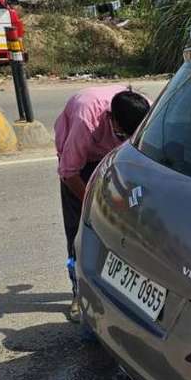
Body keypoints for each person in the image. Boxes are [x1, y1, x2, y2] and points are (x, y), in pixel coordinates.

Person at [55, 86, 150, 323]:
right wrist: (96, 204)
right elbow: (69, 172)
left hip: (116, 157)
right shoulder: (86, 118)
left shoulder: (144, 110)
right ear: (111, 119)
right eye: (121, 134)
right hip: (80, 164)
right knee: (79, 232)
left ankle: (114, 287)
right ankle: (79, 292)